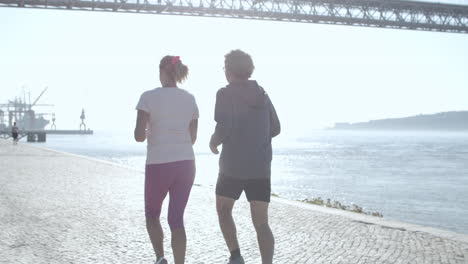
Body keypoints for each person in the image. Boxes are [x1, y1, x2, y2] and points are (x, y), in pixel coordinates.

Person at [210, 50, 281, 264]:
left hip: (232, 166)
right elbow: (276, 128)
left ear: (229, 71)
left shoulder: (224, 93)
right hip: (260, 167)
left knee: (223, 210)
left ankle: (236, 256)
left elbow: (223, 126)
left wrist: (213, 142)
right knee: (261, 222)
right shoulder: (262, 93)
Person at [134, 55, 198, 264]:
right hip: (186, 164)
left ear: (162, 71)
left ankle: (160, 258)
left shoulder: (148, 97)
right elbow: (193, 138)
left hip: (159, 164)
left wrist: (150, 129)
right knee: (176, 219)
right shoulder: (190, 98)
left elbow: (139, 135)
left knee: (152, 215)